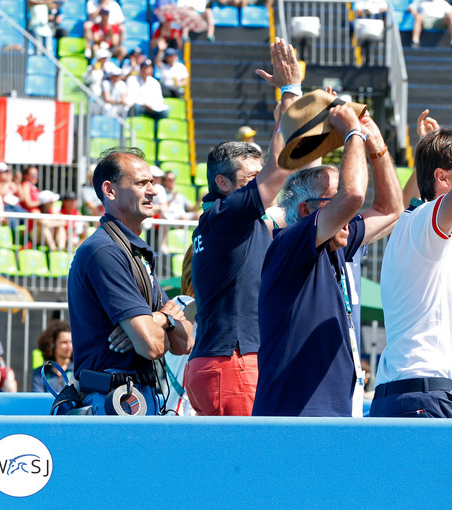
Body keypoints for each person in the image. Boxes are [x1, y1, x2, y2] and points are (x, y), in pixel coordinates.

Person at [253, 93, 403, 417]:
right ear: (307, 210)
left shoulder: (339, 241)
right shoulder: (290, 242)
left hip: (335, 412)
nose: (349, 215)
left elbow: (392, 210)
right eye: (332, 204)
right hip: (294, 417)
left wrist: (377, 147)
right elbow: (353, 195)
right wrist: (353, 134)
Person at [369, 69, 452, 419]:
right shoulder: (427, 223)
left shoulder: (420, 221)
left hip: (422, 392)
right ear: (442, 178)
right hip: (423, 394)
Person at [185, 38, 303, 416]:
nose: (259, 184)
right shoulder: (228, 214)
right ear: (223, 183)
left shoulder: (228, 218)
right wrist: (291, 92)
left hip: (223, 362)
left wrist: (287, 109)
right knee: (242, 470)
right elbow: (281, 166)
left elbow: (284, 172)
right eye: (249, 178)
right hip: (231, 363)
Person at [67, 148, 194, 415]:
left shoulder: (134, 252)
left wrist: (159, 319)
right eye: (141, 183)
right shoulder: (105, 250)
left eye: (152, 182)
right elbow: (153, 346)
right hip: (113, 402)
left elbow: (185, 343)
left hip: (136, 397)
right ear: (109, 190)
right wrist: (163, 320)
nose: (153, 191)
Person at [32, 320, 74, 393]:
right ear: (52, 345)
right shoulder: (40, 373)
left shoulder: (77, 371)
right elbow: (38, 400)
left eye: (71, 342)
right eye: (64, 342)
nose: (69, 346)